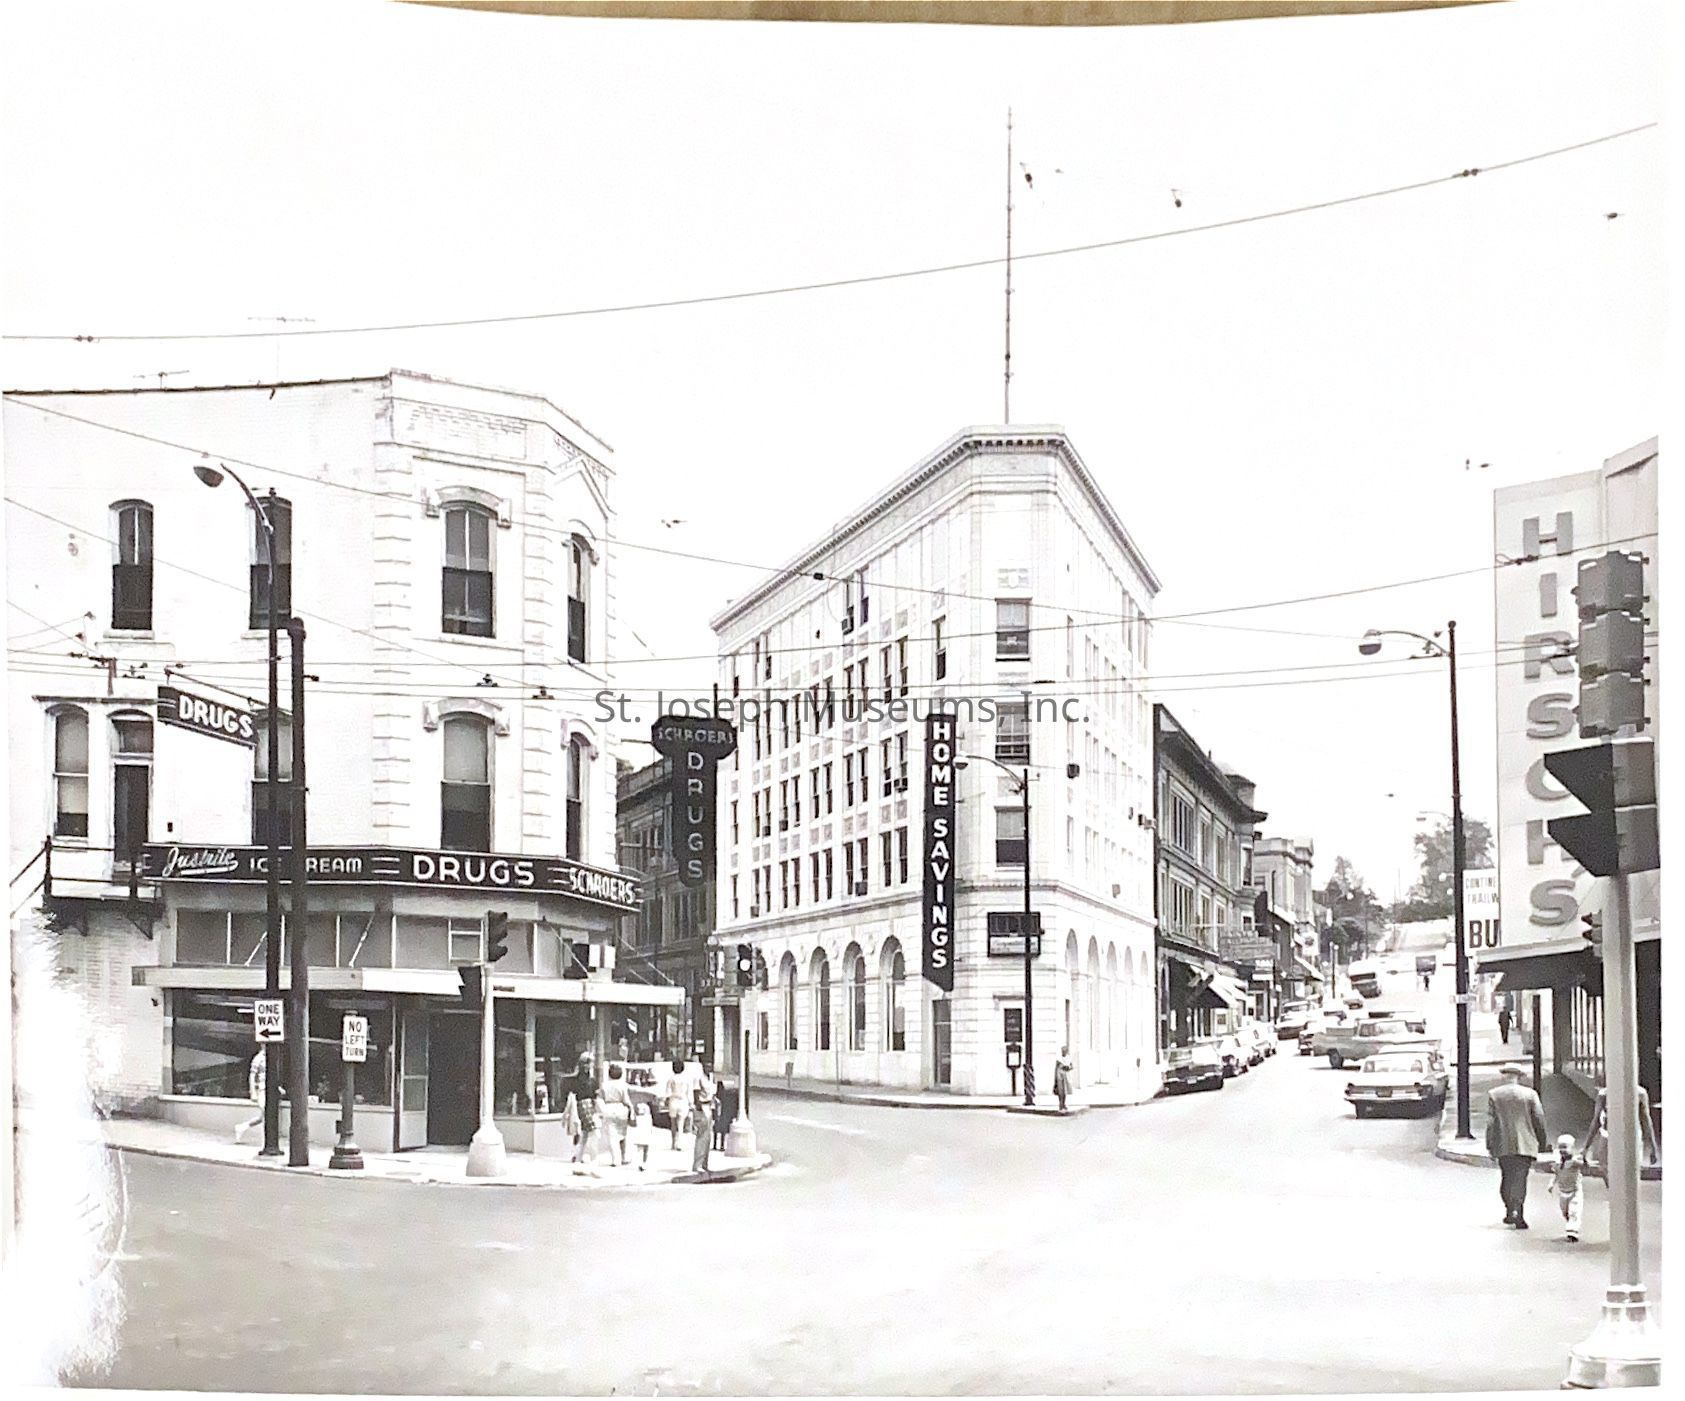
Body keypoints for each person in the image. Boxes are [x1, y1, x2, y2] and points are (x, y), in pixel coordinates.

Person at [1485, 1062, 1549, 1229]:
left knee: (1506, 1177)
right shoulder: (1530, 1094)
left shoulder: (1495, 1095)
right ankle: (1518, 1212)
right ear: (1519, 1077)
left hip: (1503, 1143)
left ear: (1504, 1076)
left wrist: (1489, 1144)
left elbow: (1491, 1123)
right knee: (1520, 1179)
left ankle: (1509, 1209)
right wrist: (1543, 1142)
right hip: (1526, 1143)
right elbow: (1539, 1119)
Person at [1580, 1080, 1660, 1179]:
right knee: (1607, 1171)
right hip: (1609, 1137)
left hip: (1631, 1137)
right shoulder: (1604, 1094)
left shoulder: (1639, 1093)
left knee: (1630, 1174)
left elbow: (1646, 1121)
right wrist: (1585, 1148)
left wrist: (1653, 1147)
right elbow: (1596, 1121)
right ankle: (1614, 1191)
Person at [1552, 1134, 1586, 1242]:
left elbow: (1584, 1165)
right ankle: (1571, 1225)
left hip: (1574, 1192)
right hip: (1563, 1192)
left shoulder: (1574, 1162)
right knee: (1565, 1211)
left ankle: (1573, 1231)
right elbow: (1556, 1174)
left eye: (1565, 1147)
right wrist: (1551, 1184)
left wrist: (1583, 1158)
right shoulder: (1558, 1163)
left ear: (1572, 1148)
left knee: (1574, 1211)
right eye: (1560, 1147)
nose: (1562, 1150)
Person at [600, 1061, 633, 1167]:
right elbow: (626, 1100)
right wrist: (631, 1109)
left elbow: (600, 1098)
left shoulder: (604, 1085)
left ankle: (615, 1159)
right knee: (622, 1135)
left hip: (609, 1109)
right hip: (621, 1109)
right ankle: (623, 1157)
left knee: (612, 1136)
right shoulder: (622, 1085)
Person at [234, 1047, 267, 1145]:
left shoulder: (269, 1058)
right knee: (266, 1115)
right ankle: (265, 1140)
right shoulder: (258, 1058)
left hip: (268, 1089)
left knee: (263, 1116)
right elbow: (252, 1076)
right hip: (261, 1090)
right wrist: (253, 1092)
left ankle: (242, 1127)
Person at [690, 1062, 719, 1173]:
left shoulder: (711, 1079)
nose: (709, 1068)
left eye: (710, 1066)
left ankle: (705, 1164)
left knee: (708, 1138)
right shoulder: (699, 1078)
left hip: (710, 1106)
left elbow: (713, 1093)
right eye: (707, 1066)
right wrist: (699, 1108)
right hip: (702, 1106)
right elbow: (696, 1093)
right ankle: (697, 1164)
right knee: (702, 1136)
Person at [663, 1055, 690, 1151]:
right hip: (683, 1101)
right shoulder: (686, 1079)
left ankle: (673, 1143)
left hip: (673, 1101)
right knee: (681, 1124)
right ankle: (680, 1144)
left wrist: (666, 1100)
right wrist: (691, 1103)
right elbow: (689, 1092)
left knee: (673, 1124)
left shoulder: (671, 1079)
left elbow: (667, 1092)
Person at [628, 1101, 654, 1171]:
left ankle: (640, 1163)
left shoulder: (636, 1103)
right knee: (645, 1146)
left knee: (640, 1147)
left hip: (641, 1121)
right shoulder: (647, 1102)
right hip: (645, 1121)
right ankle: (643, 1162)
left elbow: (632, 1122)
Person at [1053, 1046, 1075, 1113]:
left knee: (1065, 1090)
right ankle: (1060, 1104)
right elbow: (1056, 1067)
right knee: (1060, 1090)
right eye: (1062, 1051)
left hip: (1066, 1075)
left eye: (1065, 1051)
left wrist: (1068, 1067)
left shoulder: (1069, 1058)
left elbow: (1072, 1066)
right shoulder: (1059, 1058)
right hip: (1059, 1075)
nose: (1063, 1052)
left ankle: (1064, 1104)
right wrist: (1055, 1078)